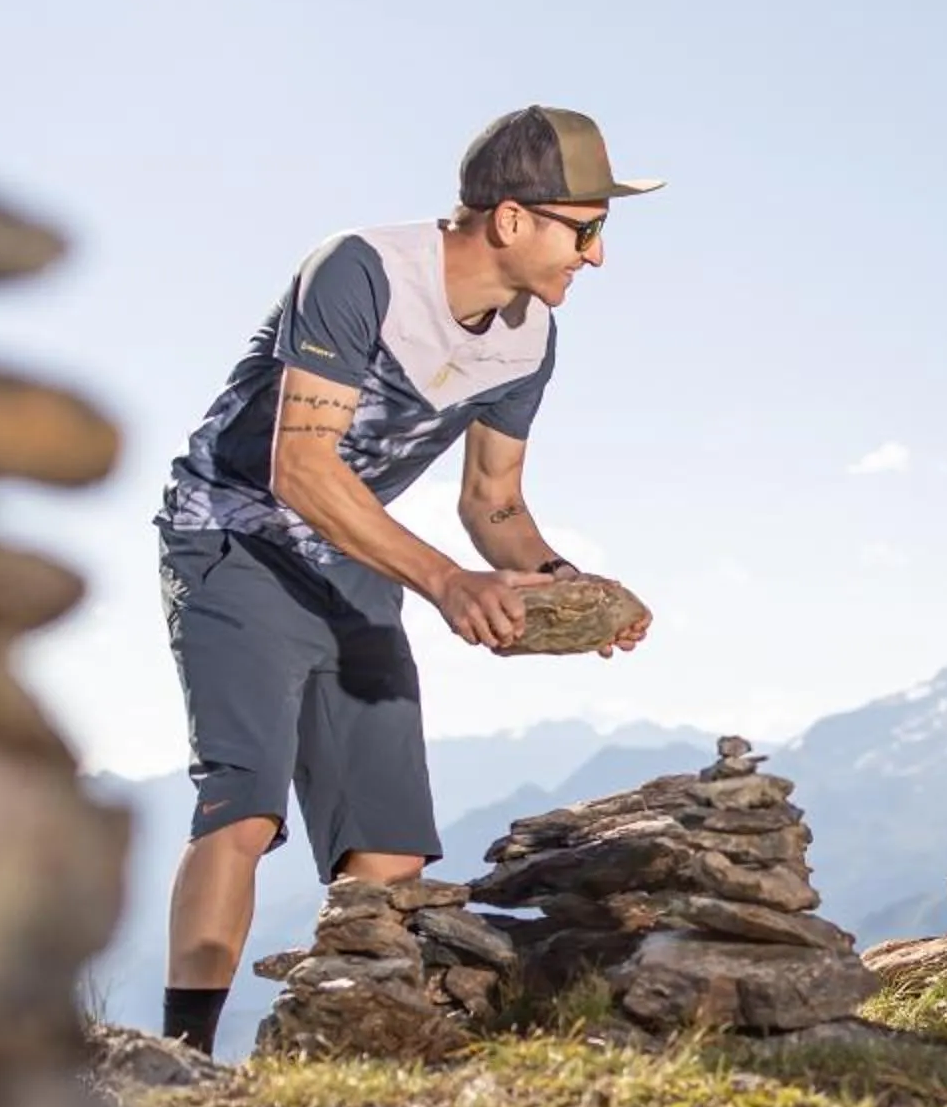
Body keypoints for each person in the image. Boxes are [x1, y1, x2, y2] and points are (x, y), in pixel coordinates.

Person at [153, 106, 660, 1054]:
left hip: (355, 559)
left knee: (386, 846)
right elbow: (300, 468)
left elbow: (493, 505)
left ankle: (347, 1049)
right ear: (512, 218)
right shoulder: (360, 271)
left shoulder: (529, 338)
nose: (597, 255)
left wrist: (568, 590)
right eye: (586, 228)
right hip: (231, 539)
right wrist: (447, 585)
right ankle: (180, 1065)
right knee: (245, 805)